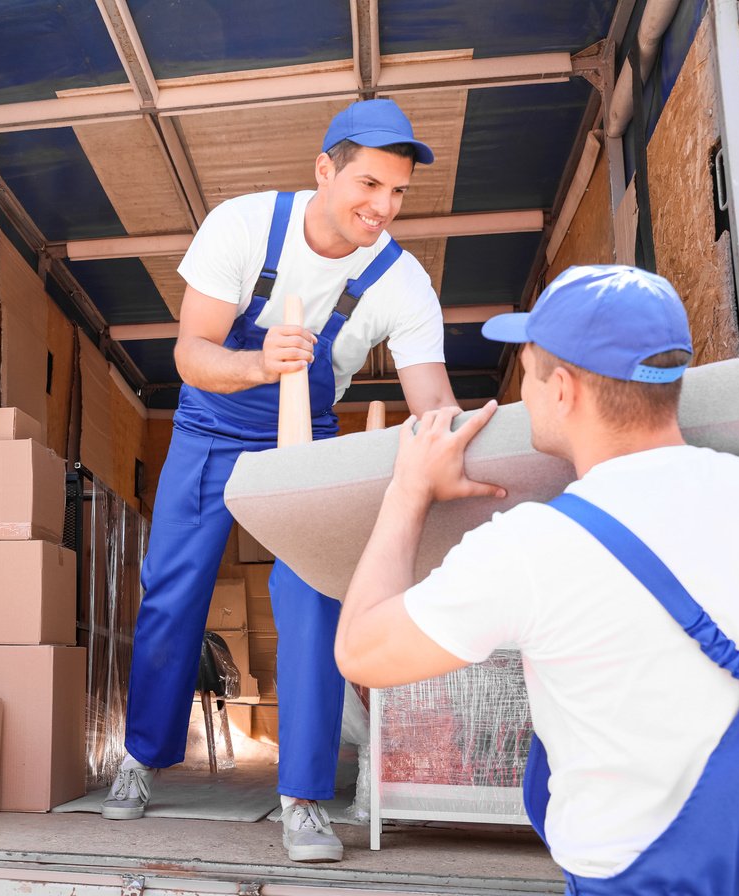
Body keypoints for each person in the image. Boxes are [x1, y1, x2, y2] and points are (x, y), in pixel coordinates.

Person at [334, 264, 739, 892]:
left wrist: (408, 489)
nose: (522, 394)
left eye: (526, 374)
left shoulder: (535, 548)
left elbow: (361, 650)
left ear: (563, 390)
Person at [102, 98, 459, 864]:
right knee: (173, 588)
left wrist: (457, 442)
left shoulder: (400, 279)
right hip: (208, 427)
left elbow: (433, 402)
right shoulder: (242, 227)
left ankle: (303, 798)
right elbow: (191, 353)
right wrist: (260, 363)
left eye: (397, 192)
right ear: (324, 170)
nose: (382, 207)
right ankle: (142, 756)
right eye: (369, 184)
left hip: (306, 440)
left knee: (312, 601)